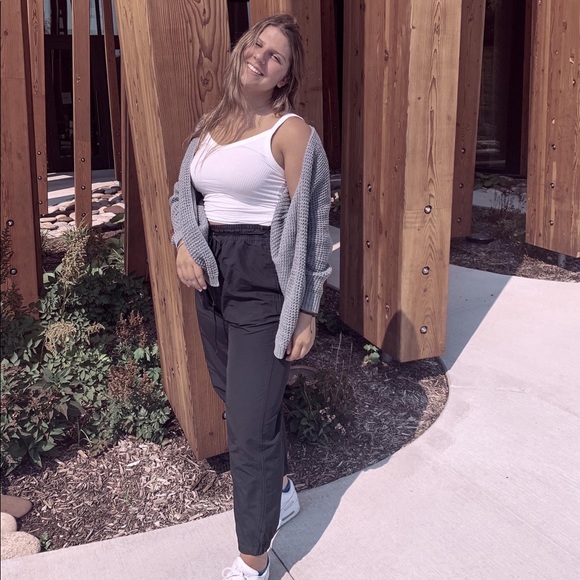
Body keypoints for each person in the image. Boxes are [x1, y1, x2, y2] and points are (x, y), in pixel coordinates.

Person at [169, 13, 332, 579]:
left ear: (285, 76)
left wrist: (307, 309)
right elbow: (184, 196)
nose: (260, 58)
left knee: (248, 427)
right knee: (237, 399)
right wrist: (184, 243)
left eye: (275, 56)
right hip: (213, 280)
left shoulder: (291, 132)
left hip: (264, 282)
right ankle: (281, 492)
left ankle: (252, 560)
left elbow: (312, 225)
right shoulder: (213, 123)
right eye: (257, 45)